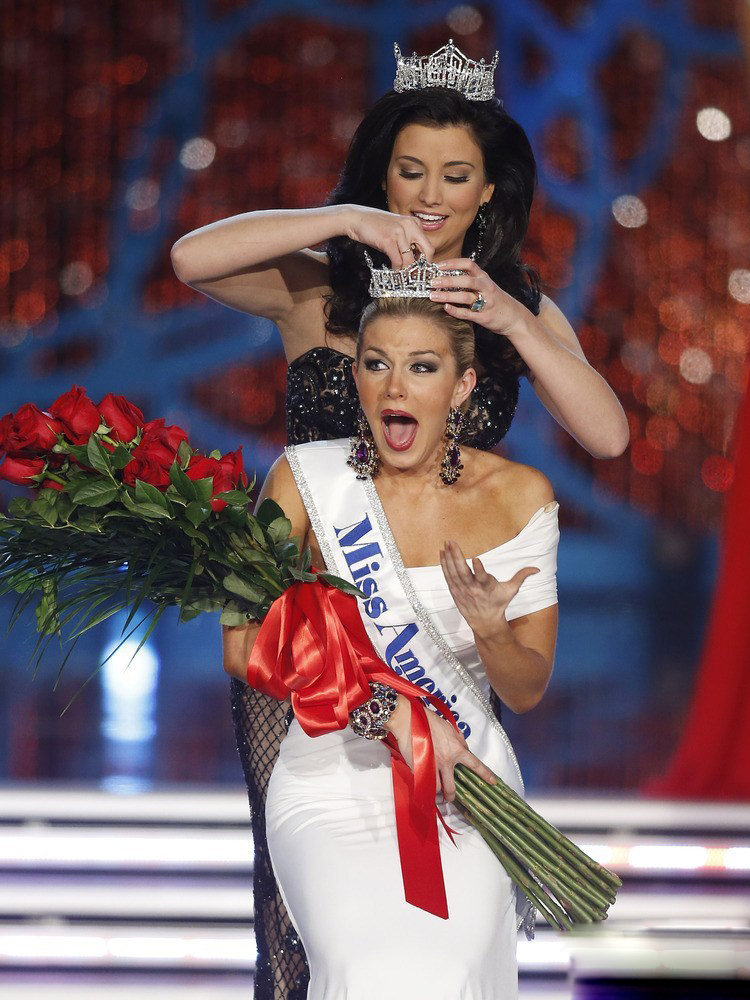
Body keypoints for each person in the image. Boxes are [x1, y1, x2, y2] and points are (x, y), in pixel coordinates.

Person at [172, 42, 624, 996]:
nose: (429, 193)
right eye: (407, 171)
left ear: (490, 192)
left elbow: (607, 434)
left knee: (449, 906)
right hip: (307, 649)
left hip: (445, 645)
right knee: (293, 925)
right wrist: (346, 219)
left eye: (454, 176)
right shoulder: (321, 289)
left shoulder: (514, 308)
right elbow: (189, 257)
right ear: (382, 173)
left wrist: (509, 320)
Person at [222, 294, 559, 999]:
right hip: (328, 774)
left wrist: (493, 631)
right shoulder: (303, 481)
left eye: (421, 367)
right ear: (357, 381)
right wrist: (390, 712)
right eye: (376, 365)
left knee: (450, 970)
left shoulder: (518, 495)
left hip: (460, 775)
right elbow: (242, 645)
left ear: (460, 387)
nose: (396, 387)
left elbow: (525, 690)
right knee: (361, 970)